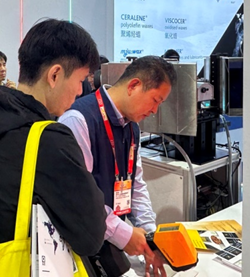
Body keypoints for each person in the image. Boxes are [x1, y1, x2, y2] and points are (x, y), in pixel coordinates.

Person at [0, 19, 107, 260]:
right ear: (55, 75)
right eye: (80, 81)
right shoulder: (50, 140)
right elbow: (92, 236)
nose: (80, 91)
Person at [59, 56, 177, 277]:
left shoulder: (132, 127)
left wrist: (151, 238)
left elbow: (136, 185)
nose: (154, 110)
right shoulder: (78, 120)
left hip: (110, 239)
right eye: (155, 100)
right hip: (81, 246)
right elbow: (78, 199)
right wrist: (123, 234)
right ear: (134, 86)